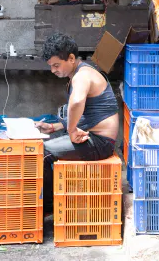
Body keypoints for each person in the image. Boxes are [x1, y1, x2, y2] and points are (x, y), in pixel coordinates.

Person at [36, 32, 119, 215]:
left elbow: (76, 102)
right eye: (51, 66)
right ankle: (49, 205)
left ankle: (47, 209)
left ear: (71, 58)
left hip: (99, 143)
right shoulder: (81, 72)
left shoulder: (82, 76)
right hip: (95, 138)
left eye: (56, 65)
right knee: (43, 148)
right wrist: (55, 127)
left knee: (41, 154)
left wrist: (72, 130)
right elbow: (87, 114)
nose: (53, 70)